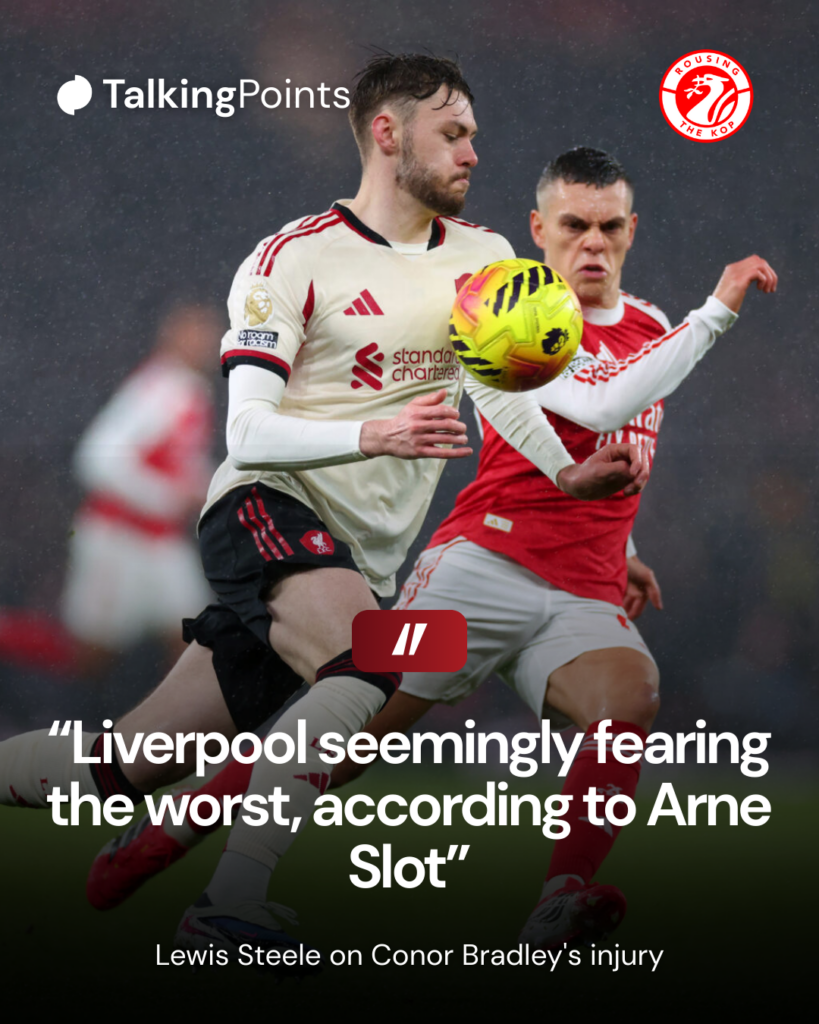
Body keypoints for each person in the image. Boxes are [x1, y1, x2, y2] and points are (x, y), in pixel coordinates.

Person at [0, 63, 645, 969]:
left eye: (473, 132)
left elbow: (497, 399)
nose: (473, 150)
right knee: (374, 661)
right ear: (387, 133)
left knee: (117, 770)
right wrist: (373, 429)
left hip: (361, 555)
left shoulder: (487, 256)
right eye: (452, 131)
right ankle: (229, 905)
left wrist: (569, 479)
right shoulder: (290, 259)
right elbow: (249, 427)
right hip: (266, 506)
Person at [86, 148, 777, 953]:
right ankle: (176, 827)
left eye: (608, 227)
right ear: (537, 231)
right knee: (349, 741)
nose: (592, 243)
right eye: (572, 226)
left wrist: (624, 544)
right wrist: (719, 308)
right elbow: (600, 403)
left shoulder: (651, 325)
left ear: (632, 230)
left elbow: (620, 448)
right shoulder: (505, 315)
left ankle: (560, 897)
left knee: (630, 701)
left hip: (582, 591)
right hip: (478, 571)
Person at [0, 301, 218, 680]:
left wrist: (209, 487)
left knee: (198, 641)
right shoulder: (159, 388)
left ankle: (175, 733)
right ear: (172, 336)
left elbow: (179, 462)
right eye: (196, 332)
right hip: (119, 537)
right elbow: (97, 458)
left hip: (160, 542)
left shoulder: (189, 388)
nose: (207, 341)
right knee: (87, 658)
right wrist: (167, 497)